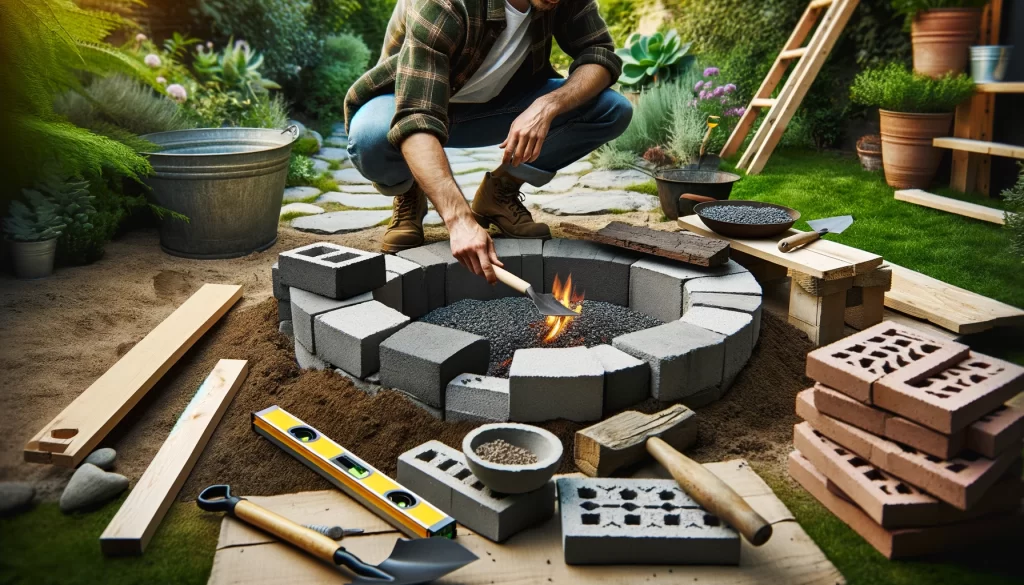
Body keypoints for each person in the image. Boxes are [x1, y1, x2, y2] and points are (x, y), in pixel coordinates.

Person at [344, 0, 631, 284]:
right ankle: (410, 190)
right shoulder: (443, 4)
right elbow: (416, 115)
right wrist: (459, 221)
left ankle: (499, 193)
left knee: (610, 108)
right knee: (369, 138)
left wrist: (547, 105)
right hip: (408, 101)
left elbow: (599, 53)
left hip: (493, 106)